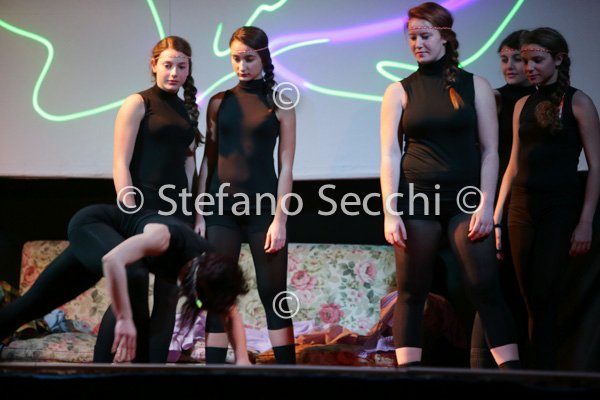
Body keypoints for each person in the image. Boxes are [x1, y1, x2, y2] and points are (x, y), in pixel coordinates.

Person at [379, 2, 520, 368]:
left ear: (444, 36)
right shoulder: (399, 90)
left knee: (485, 287)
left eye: (424, 36)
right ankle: (409, 376)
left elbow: (490, 151)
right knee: (411, 292)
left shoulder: (476, 85)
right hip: (417, 200)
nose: (417, 44)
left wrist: (486, 205)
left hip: (465, 199)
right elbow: (390, 154)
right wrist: (391, 212)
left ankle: (513, 373)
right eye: (412, 37)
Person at [0, 204, 250, 364]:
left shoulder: (212, 266)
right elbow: (112, 260)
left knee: (34, 304)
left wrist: (242, 360)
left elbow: (229, 312)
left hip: (107, 242)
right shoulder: (166, 238)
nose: (197, 306)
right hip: (91, 226)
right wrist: (123, 318)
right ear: (196, 286)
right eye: (199, 303)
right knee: (135, 274)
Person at [494, 27, 600, 370]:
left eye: (537, 60)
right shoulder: (521, 104)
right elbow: (513, 165)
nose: (529, 68)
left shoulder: (578, 102)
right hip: (520, 210)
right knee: (527, 299)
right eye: (526, 61)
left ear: (559, 59)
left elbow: (597, 167)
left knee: (545, 295)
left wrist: (585, 222)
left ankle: (546, 373)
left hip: (559, 208)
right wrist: (497, 217)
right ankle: (534, 373)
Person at [96, 36, 202, 363]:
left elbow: (189, 165)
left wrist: (195, 212)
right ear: (154, 65)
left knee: (168, 299)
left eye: (181, 66)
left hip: (177, 211)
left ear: (188, 69)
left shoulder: (186, 110)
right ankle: (100, 370)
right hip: (143, 208)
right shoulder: (138, 102)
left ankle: (154, 373)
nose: (174, 72)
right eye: (167, 65)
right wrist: (129, 209)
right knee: (133, 291)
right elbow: (120, 161)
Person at [195, 26, 297, 364]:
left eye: (249, 58)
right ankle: (213, 371)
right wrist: (199, 213)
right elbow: (208, 162)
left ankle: (288, 372)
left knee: (273, 292)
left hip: (263, 210)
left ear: (263, 57)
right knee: (216, 292)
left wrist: (280, 220)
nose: (242, 66)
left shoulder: (280, 101)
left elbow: (286, 166)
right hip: (220, 211)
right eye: (236, 58)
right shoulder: (219, 102)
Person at [470, 30, 534, 368]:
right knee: (489, 287)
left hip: (531, 202)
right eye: (504, 59)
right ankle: (481, 370)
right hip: (494, 201)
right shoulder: (494, 99)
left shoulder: (545, 101)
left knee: (522, 291)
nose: (509, 66)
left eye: (517, 59)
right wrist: (490, 210)